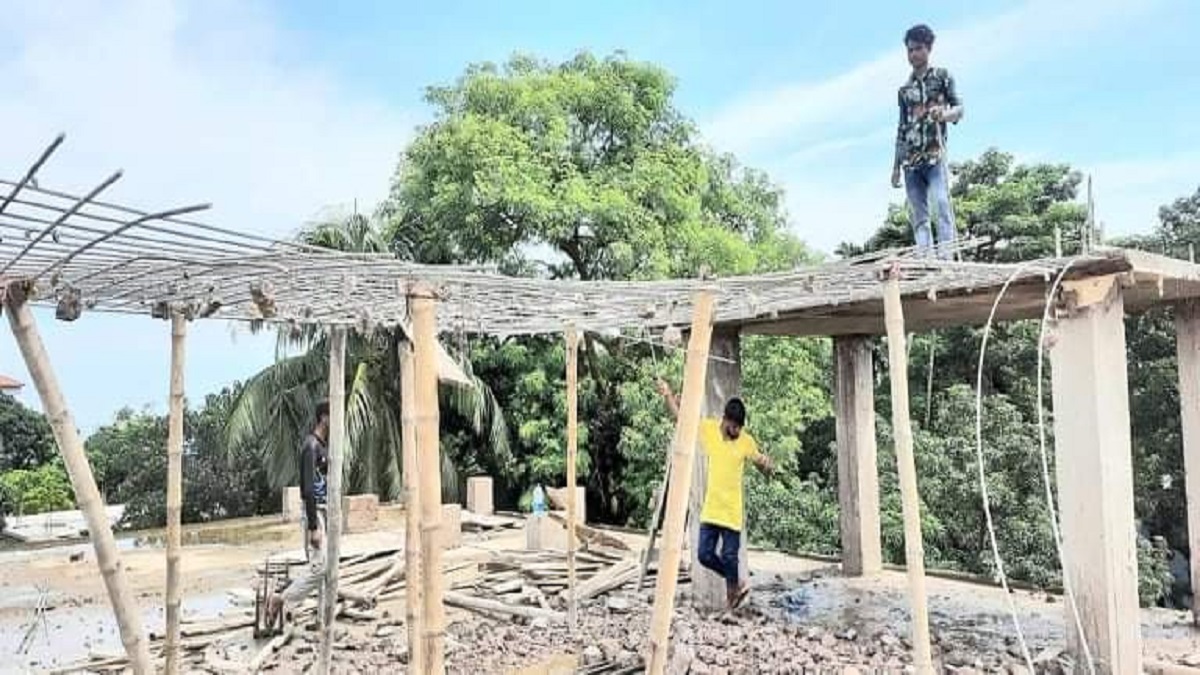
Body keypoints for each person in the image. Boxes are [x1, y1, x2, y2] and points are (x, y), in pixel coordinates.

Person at [655, 379, 773, 610]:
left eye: (739, 428)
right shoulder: (709, 430)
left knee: (730, 557)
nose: (737, 431)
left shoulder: (746, 441)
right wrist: (668, 395)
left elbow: (760, 462)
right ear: (725, 420)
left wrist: (767, 466)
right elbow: (681, 420)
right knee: (704, 555)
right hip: (712, 510)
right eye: (734, 427)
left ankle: (731, 601)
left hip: (732, 513)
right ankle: (736, 583)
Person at [890, 23, 964, 259]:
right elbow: (902, 128)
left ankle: (946, 259)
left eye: (918, 49)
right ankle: (926, 262)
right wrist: (895, 167)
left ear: (928, 48)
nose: (913, 54)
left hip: (934, 155)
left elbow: (959, 109)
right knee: (919, 216)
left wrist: (944, 114)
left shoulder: (942, 77)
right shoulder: (904, 90)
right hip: (911, 161)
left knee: (942, 205)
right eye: (910, 50)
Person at [266, 400, 331, 625]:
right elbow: (308, 489)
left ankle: (322, 619)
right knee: (319, 569)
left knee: (327, 568)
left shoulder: (323, 446)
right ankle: (281, 599)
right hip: (316, 512)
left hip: (326, 511)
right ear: (324, 417)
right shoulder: (310, 447)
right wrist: (313, 526)